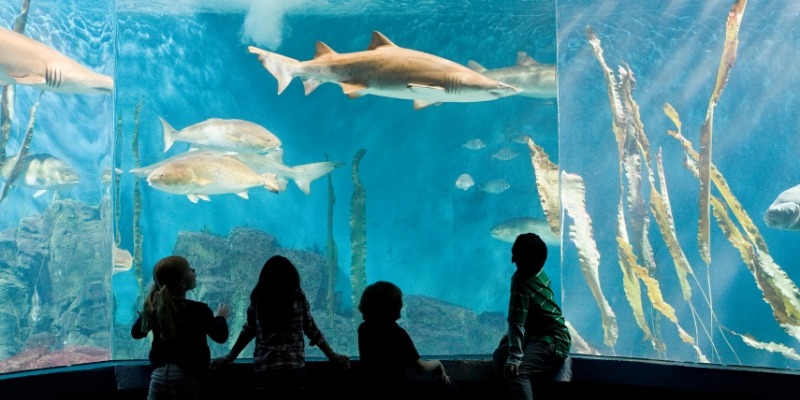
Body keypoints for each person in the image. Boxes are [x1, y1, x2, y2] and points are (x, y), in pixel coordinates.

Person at [210, 255, 350, 397]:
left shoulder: (259, 298)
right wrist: (332, 355)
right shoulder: (297, 296)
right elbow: (311, 329)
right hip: (294, 369)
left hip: (266, 370)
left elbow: (249, 330)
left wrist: (231, 356)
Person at [131, 255, 231, 400]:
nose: (194, 270)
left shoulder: (154, 310)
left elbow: (136, 333)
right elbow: (221, 336)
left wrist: (145, 315)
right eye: (189, 269)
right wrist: (220, 317)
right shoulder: (199, 310)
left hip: (158, 378)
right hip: (186, 378)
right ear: (183, 283)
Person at [493, 232, 571, 400]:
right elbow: (532, 314)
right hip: (545, 335)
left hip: (552, 341)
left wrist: (515, 358)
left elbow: (516, 321)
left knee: (518, 373)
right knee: (499, 355)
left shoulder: (521, 281)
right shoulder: (539, 272)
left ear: (518, 259)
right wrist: (510, 339)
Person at [356, 280, 457, 400]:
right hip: (399, 391)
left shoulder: (364, 329)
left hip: (373, 390)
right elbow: (420, 368)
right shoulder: (397, 333)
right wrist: (438, 363)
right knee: (450, 385)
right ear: (392, 306)